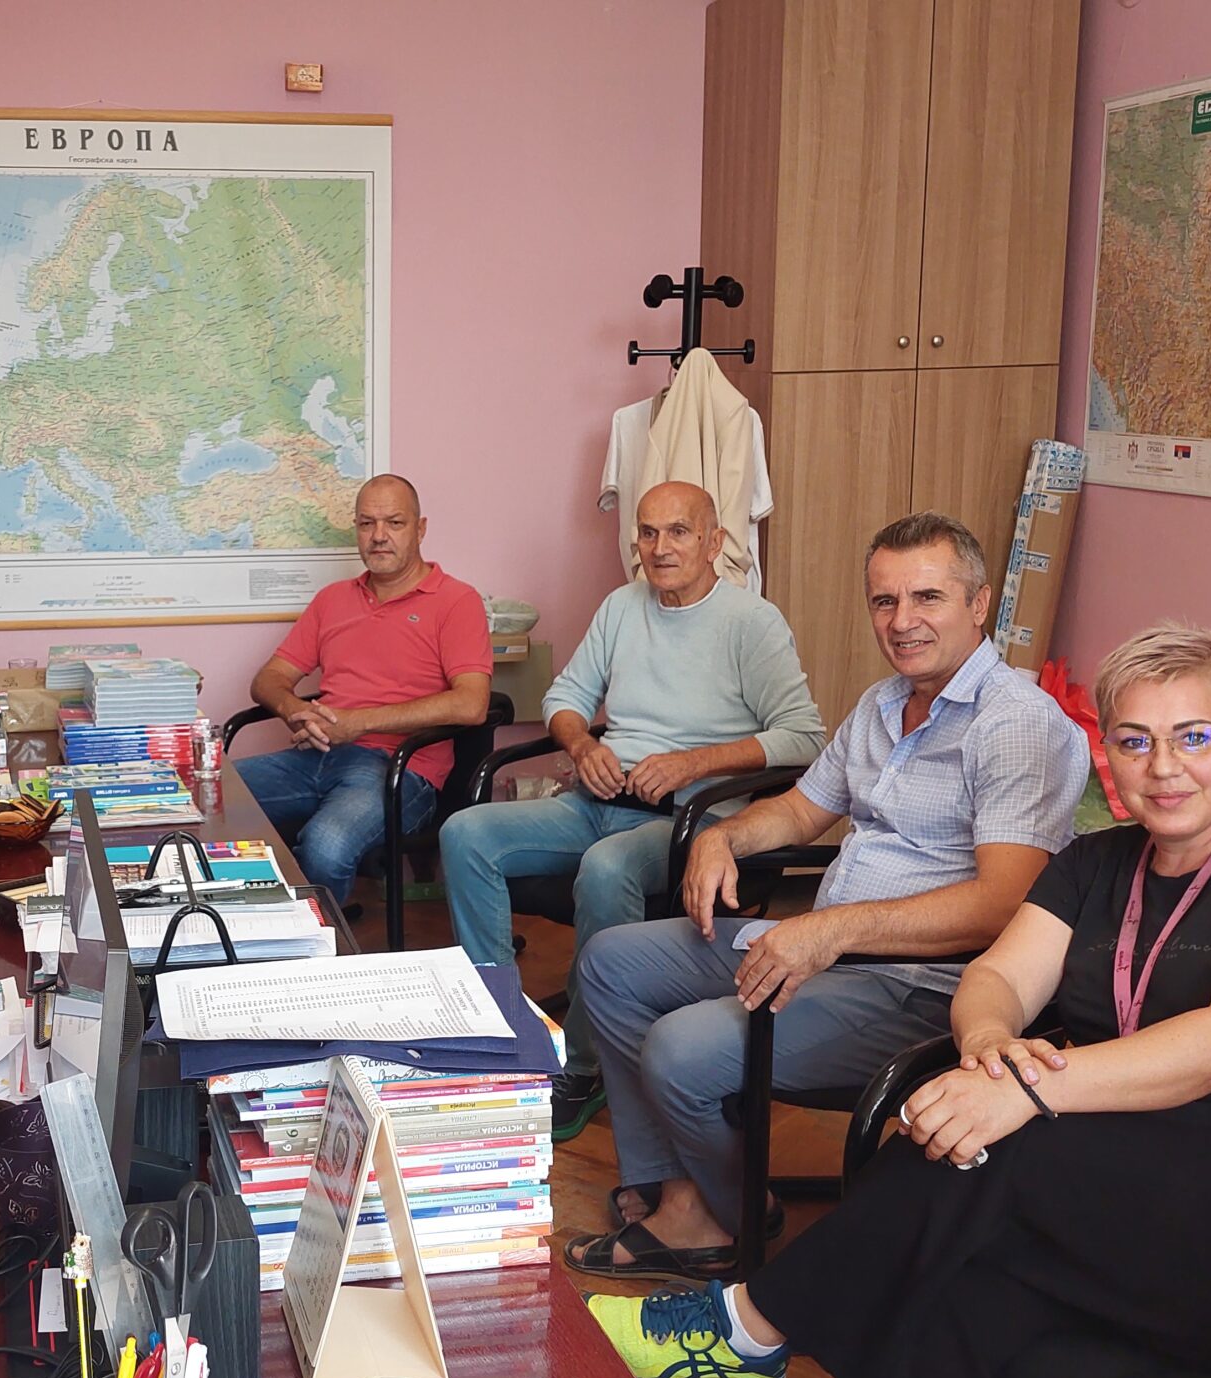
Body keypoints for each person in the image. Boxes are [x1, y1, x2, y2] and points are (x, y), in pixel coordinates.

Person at [587, 624, 1211, 1378]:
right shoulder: (1096, 864)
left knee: (1007, 1149)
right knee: (930, 1287)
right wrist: (988, 1045)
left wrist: (1026, 1088)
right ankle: (751, 1333)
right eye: (1134, 741)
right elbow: (999, 978)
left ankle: (749, 1326)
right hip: (1126, 1188)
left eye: (1193, 737)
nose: (1163, 767)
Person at [562, 511, 1086, 1282]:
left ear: (979, 605)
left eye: (927, 598)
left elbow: (1004, 903)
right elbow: (801, 811)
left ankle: (715, 1210)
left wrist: (832, 931)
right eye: (884, 601)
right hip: (826, 949)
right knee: (610, 961)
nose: (902, 622)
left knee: (681, 1048)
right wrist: (721, 837)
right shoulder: (882, 704)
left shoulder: (1015, 724)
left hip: (919, 987)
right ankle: (689, 1195)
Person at [438, 480, 826, 1137]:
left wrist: (694, 763)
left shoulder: (751, 622)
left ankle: (588, 1064)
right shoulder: (621, 607)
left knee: (607, 866)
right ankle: (501, 1030)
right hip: (599, 798)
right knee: (464, 832)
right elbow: (565, 697)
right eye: (647, 532)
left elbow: (804, 736)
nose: (660, 547)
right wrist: (582, 744)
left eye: (679, 532)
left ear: (714, 543)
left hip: (690, 819)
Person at [232, 474, 493, 907]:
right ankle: (245, 932)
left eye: (394, 523)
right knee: (207, 799)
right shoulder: (332, 599)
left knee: (326, 846)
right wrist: (296, 710)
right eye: (367, 524)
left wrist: (359, 724)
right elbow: (268, 679)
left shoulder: (456, 601)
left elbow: (472, 704)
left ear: (421, 529)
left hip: (400, 771)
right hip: (315, 756)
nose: (379, 536)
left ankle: (316, 944)